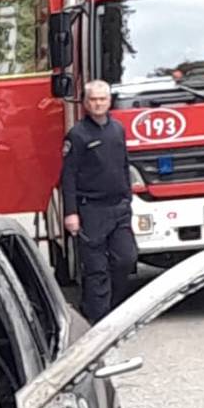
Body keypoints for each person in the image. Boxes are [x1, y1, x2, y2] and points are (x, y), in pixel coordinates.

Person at [61, 79, 137, 323]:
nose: (98, 104)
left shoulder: (118, 129)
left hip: (119, 207)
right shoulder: (77, 135)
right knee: (96, 269)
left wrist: (128, 195)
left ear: (110, 101)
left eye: (102, 99)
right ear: (85, 103)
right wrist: (71, 213)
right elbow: (68, 176)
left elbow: (124, 164)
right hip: (91, 210)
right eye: (93, 99)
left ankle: (114, 308)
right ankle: (98, 319)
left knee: (126, 259)